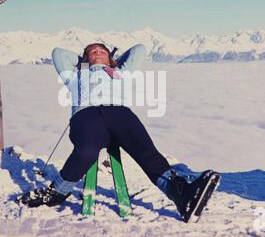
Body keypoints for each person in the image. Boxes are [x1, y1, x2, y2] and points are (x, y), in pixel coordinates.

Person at [17, 43, 221, 222]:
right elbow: (58, 53)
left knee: (146, 151)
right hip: (87, 116)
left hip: (119, 113)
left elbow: (139, 50)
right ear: (85, 58)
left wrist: (112, 63)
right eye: (91, 51)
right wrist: (85, 62)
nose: (97, 52)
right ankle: (56, 193)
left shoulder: (120, 73)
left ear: (111, 57)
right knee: (85, 152)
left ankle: (181, 195)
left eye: (102, 51)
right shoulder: (76, 75)